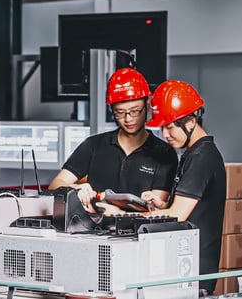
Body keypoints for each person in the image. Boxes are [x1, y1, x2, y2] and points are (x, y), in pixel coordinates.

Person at [49, 68, 178, 213]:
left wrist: (117, 212)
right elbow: (55, 184)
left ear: (147, 105)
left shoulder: (164, 154)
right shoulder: (93, 145)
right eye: (120, 113)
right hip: (89, 232)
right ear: (112, 110)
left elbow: (154, 209)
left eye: (135, 111)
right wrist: (74, 188)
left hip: (138, 233)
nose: (128, 119)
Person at [140, 80, 226, 296]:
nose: (165, 134)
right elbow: (186, 209)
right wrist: (162, 205)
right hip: (185, 270)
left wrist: (128, 215)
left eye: (169, 127)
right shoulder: (192, 155)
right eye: (162, 128)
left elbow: (178, 216)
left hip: (193, 275)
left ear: (190, 122)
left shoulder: (202, 157)